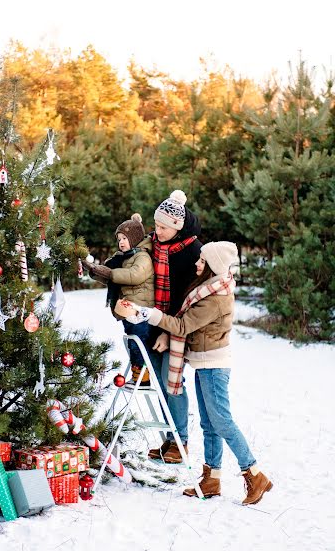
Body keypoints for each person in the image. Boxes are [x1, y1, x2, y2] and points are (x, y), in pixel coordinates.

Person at [116, 241, 273, 505]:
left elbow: (182, 325)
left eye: (202, 261)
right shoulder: (207, 288)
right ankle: (211, 478)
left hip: (213, 364)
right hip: (202, 361)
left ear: (213, 267)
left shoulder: (216, 297)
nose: (197, 264)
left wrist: (147, 314)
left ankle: (254, 473)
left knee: (221, 421)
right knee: (209, 424)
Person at [147, 190, 202, 463]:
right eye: (155, 225)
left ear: (177, 227)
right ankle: (169, 439)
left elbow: (189, 296)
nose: (157, 231)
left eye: (163, 227)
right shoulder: (155, 244)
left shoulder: (192, 250)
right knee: (158, 381)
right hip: (155, 319)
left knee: (173, 382)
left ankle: (181, 441)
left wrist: (170, 333)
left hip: (179, 326)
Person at [83, 213, 154, 387]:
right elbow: (109, 275)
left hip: (140, 309)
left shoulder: (142, 256)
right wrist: (94, 270)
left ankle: (143, 377)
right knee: (132, 342)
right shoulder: (121, 258)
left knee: (139, 343)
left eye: (125, 238)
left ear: (135, 238)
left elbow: (134, 275)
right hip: (127, 309)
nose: (121, 242)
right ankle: (138, 374)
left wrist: (110, 273)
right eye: (119, 238)